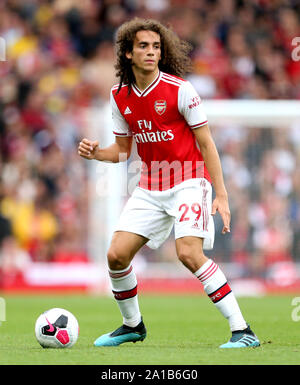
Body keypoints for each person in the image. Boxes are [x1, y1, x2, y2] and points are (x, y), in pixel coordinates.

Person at [78, 18, 260, 349]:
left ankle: (243, 330)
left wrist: (222, 194)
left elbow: (207, 144)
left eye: (156, 46)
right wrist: (95, 154)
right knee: (116, 255)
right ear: (128, 53)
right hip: (150, 185)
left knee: (188, 253)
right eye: (144, 46)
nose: (151, 52)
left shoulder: (180, 90)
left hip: (190, 180)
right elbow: (121, 152)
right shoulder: (119, 96)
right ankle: (132, 325)